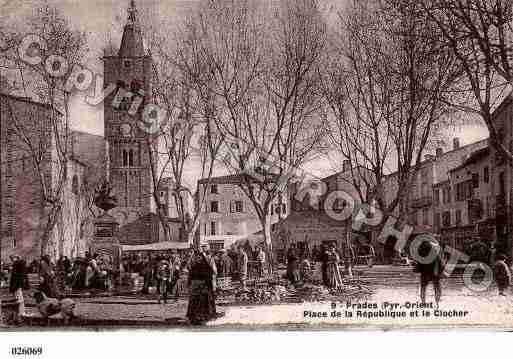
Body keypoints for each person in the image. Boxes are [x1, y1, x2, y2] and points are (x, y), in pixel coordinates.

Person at [186, 247, 218, 325]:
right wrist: (190, 284)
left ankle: (202, 317)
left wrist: (209, 285)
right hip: (196, 287)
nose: (199, 259)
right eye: (197, 258)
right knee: (195, 302)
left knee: (203, 303)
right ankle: (194, 318)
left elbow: (210, 275)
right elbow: (190, 276)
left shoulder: (206, 265)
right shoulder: (194, 266)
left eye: (200, 257)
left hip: (203, 287)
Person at [415, 239, 443, 307]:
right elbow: (439, 263)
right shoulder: (434, 252)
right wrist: (440, 271)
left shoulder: (421, 252)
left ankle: (423, 303)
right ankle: (437, 303)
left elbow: (419, 264)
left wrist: (418, 270)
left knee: (423, 287)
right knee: (437, 287)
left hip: (425, 273)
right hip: (434, 272)